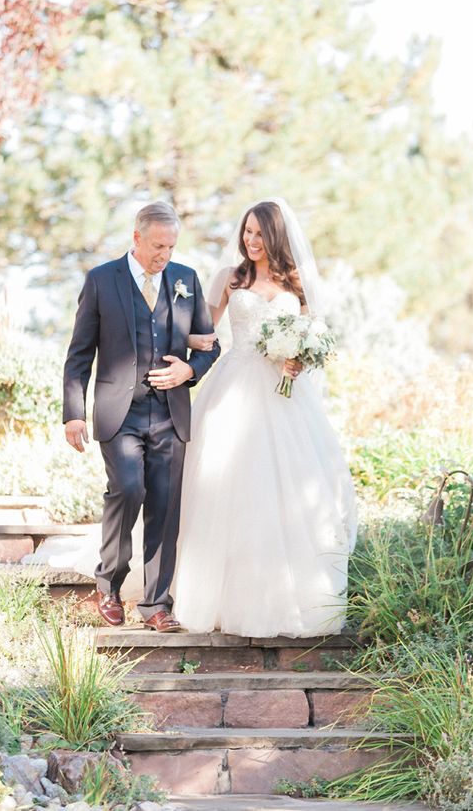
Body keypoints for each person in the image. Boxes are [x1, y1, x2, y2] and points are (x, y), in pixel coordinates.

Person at [172, 198, 357, 637]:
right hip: (234, 388)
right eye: (246, 233)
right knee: (224, 485)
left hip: (285, 398)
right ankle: (213, 595)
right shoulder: (230, 278)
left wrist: (298, 362)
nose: (251, 241)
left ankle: (284, 597)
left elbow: (312, 339)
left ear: (275, 236)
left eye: (259, 233)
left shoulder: (298, 286)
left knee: (286, 491)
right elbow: (203, 334)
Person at [62, 201, 220, 633]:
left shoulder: (186, 279)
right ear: (136, 238)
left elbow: (210, 346)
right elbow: (79, 355)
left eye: (170, 246)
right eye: (156, 246)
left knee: (166, 507)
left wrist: (190, 370)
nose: (163, 255)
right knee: (128, 489)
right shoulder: (101, 281)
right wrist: (73, 414)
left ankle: (156, 605)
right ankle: (109, 585)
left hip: (171, 414)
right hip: (120, 413)